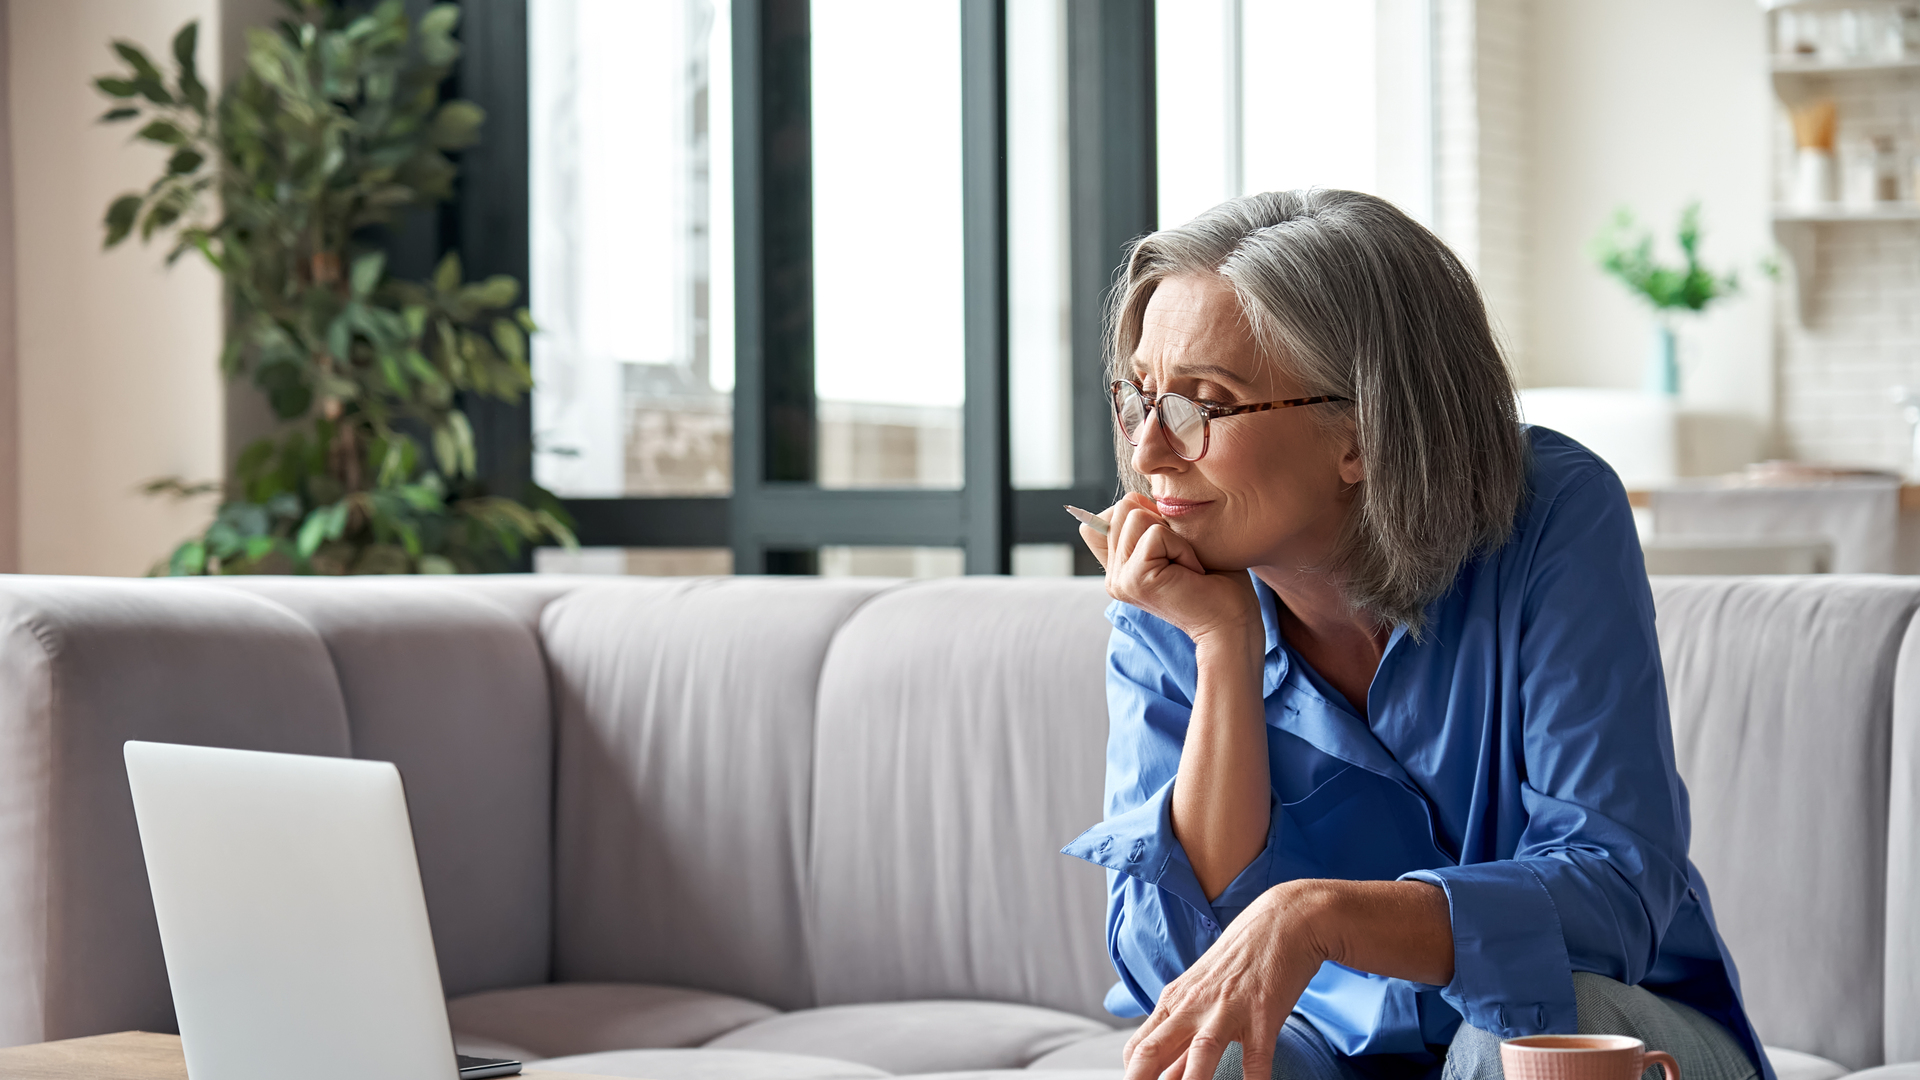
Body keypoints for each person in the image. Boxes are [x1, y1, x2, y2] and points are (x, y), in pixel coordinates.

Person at [1060, 190, 1769, 1080]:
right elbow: (1176, 971)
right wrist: (1225, 654)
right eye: (1141, 398)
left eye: (1203, 403)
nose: (1152, 453)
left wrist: (1317, 915)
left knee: (1521, 1040)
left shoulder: (1551, 513)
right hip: (1338, 1047)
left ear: (1360, 432)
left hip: (1610, 1024)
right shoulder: (1170, 585)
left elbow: (1614, 893)